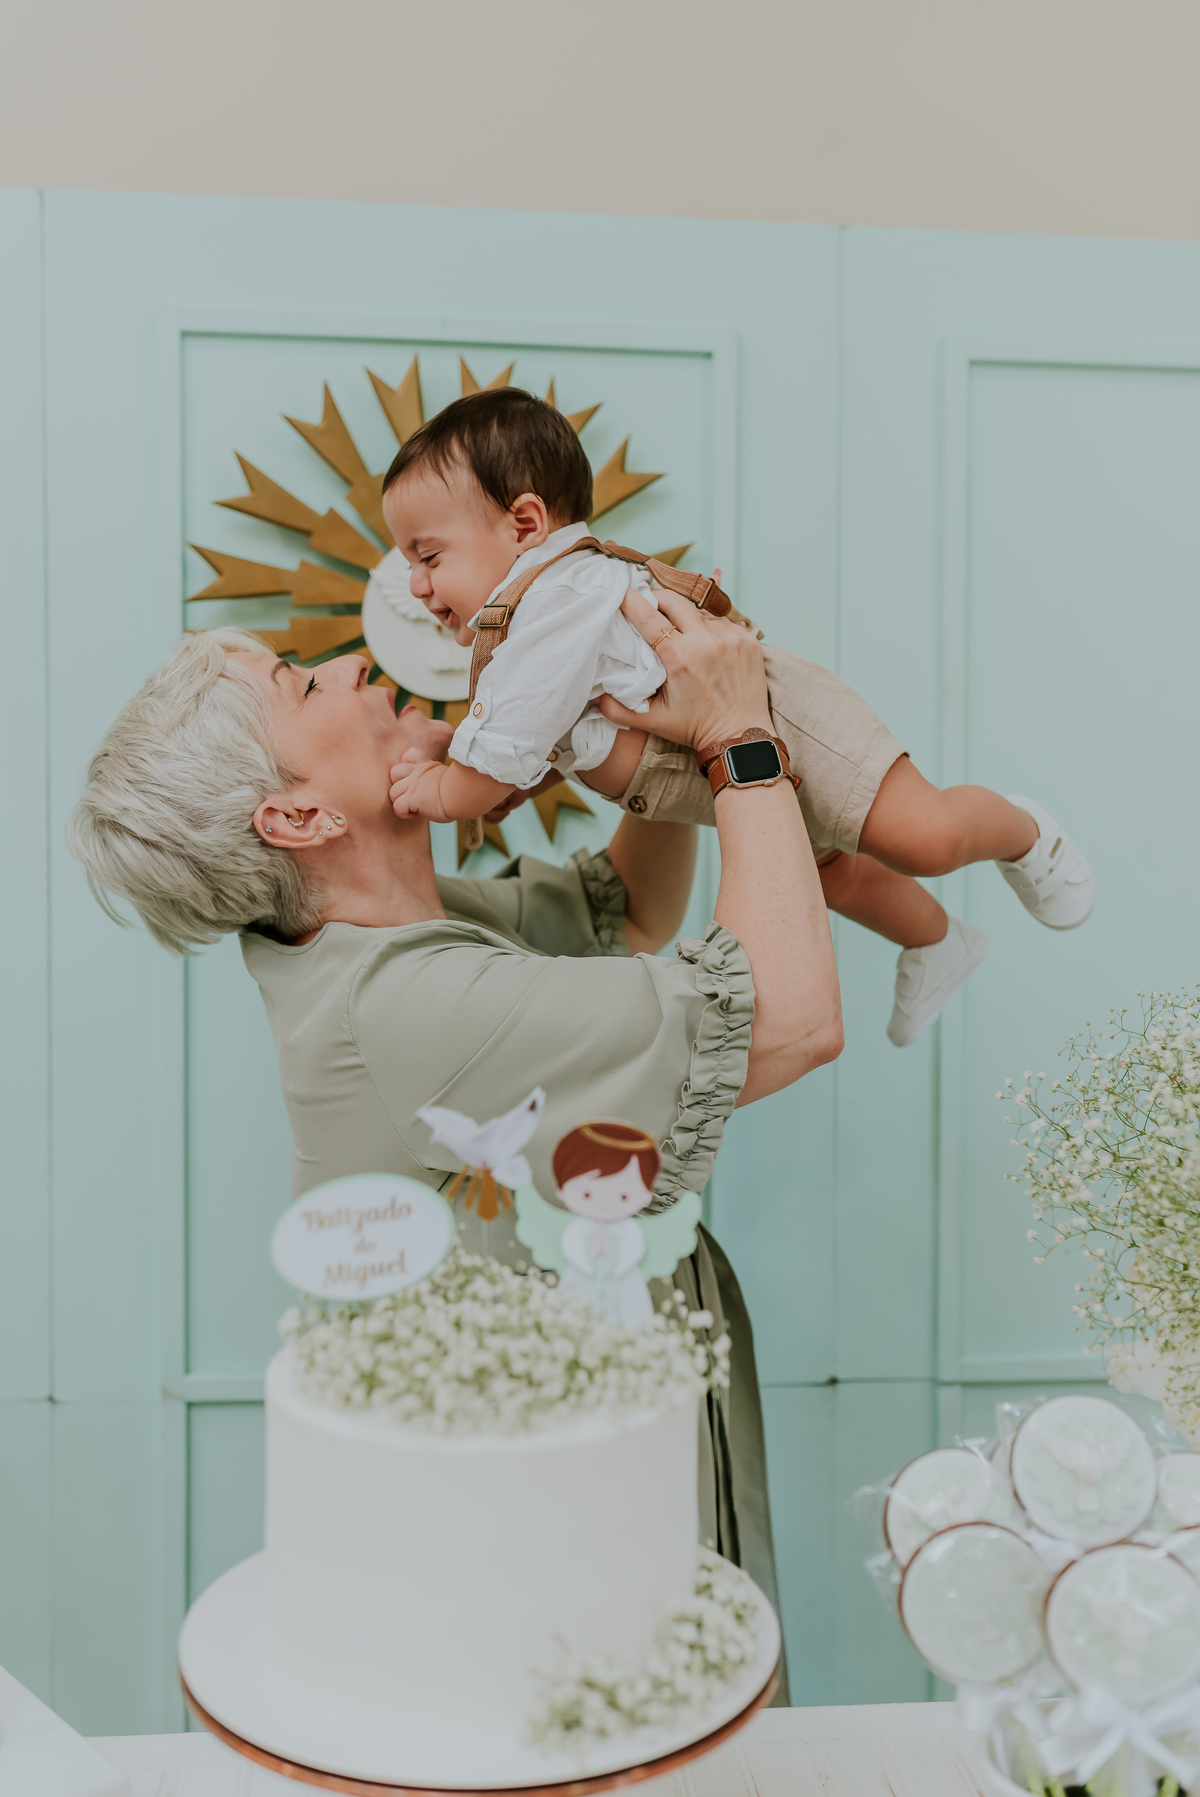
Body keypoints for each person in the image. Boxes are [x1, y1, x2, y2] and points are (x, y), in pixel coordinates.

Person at [67, 594, 843, 1704]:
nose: (340, 668)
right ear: (295, 817)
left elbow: (626, 913)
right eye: (298, 685)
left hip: (599, 1445)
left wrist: (651, 718)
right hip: (560, 1512)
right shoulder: (399, 1004)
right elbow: (796, 1017)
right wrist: (740, 744)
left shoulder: (383, 941)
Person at [380, 387, 1096, 1049]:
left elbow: (509, 732)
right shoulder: (529, 617)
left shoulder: (557, 592)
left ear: (526, 523)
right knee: (834, 874)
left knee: (926, 838)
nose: (414, 585)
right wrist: (510, 775)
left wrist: (446, 791)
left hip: (775, 717)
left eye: (429, 555)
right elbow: (543, 731)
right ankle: (938, 941)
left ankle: (1025, 831)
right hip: (702, 766)